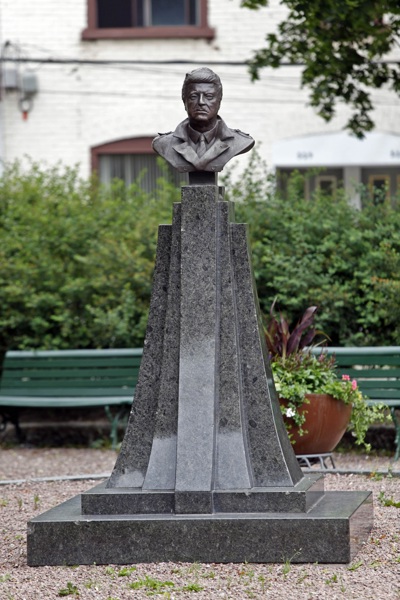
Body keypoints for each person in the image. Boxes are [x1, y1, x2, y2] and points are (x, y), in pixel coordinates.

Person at [152, 68, 254, 173]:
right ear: (184, 101)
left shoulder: (240, 142)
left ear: (219, 101)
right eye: (193, 96)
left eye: (209, 96)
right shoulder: (164, 143)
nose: (201, 102)